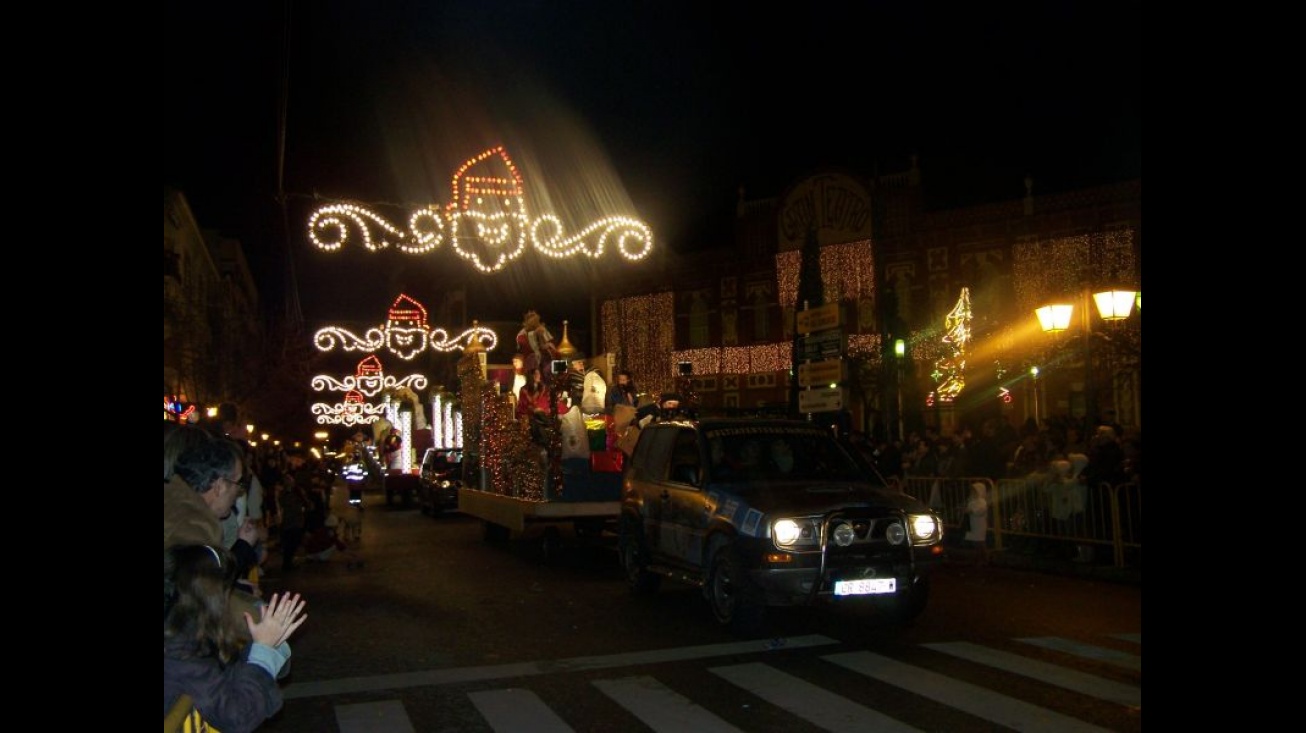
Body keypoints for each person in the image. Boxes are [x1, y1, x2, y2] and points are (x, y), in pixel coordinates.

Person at [164, 543, 307, 732]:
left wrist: (265, 644)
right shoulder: (180, 649)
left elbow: (223, 676)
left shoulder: (183, 629)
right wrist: (263, 651)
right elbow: (238, 715)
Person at [165, 434, 264, 638]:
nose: (238, 493)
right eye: (237, 484)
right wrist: (264, 625)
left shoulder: (182, 506)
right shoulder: (191, 523)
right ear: (219, 486)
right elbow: (201, 599)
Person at [515, 309, 559, 375]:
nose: (535, 322)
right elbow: (526, 347)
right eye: (531, 319)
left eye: (536, 320)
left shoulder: (543, 330)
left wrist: (548, 345)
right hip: (532, 362)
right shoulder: (522, 335)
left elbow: (551, 345)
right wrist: (534, 334)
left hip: (546, 361)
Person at [963, 482, 990, 566]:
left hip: (979, 524)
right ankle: (978, 558)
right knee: (976, 542)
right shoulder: (972, 500)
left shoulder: (982, 502)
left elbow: (980, 511)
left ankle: (984, 558)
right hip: (973, 524)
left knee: (980, 542)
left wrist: (970, 511)